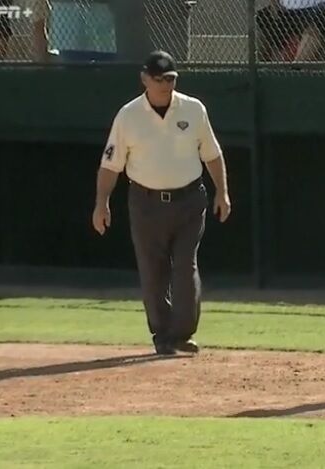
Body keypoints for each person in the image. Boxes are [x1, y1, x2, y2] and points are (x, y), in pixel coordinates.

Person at [92, 50, 231, 356]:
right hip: (145, 203)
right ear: (144, 79)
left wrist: (222, 191)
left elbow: (212, 153)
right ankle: (162, 334)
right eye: (160, 79)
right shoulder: (128, 115)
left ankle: (182, 333)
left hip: (189, 201)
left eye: (171, 78)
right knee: (153, 271)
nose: (166, 84)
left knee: (185, 266)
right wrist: (102, 203)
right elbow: (111, 164)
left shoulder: (193, 109)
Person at [256, 0, 325, 62]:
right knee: (262, 18)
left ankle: (295, 70)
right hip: (291, 10)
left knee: (314, 26)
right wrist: (275, 7)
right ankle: (259, 68)